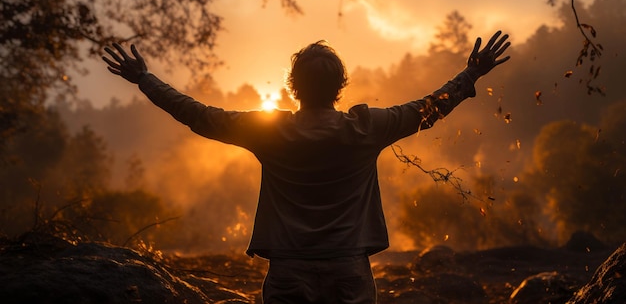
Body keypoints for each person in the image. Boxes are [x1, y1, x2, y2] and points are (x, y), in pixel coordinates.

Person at [102, 31, 510, 304]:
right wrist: (472, 71)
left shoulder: (268, 131)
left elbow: (197, 114)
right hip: (350, 272)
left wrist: (145, 79)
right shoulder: (367, 127)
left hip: (288, 274)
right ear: (340, 86)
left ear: (293, 86)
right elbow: (430, 107)